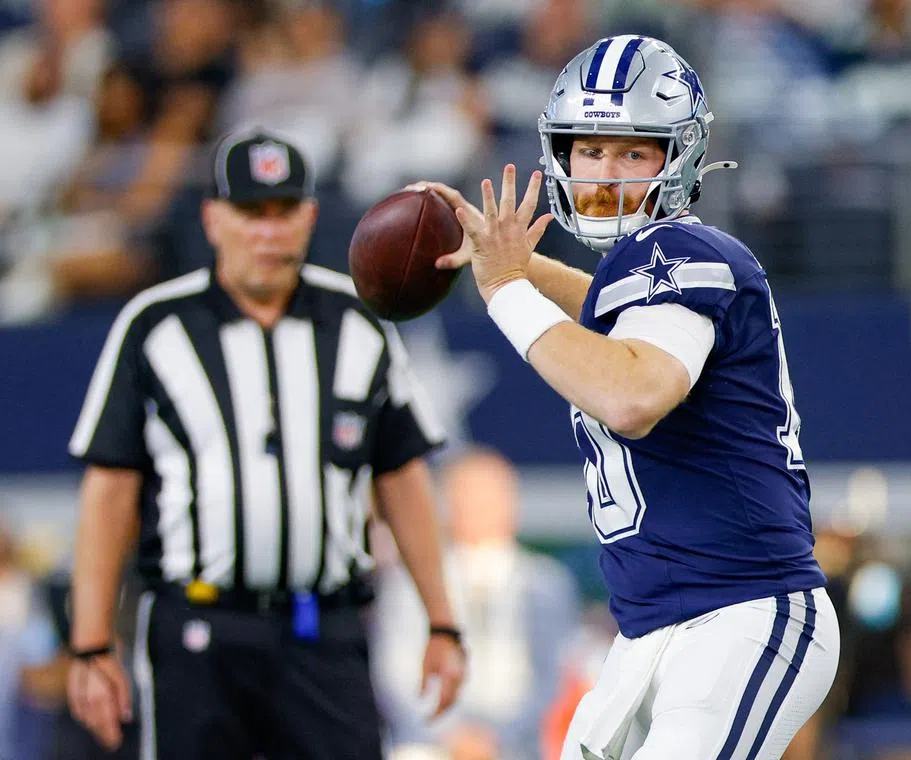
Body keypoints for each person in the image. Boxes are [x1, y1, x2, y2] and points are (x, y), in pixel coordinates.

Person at [422, 35, 841, 760]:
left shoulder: (688, 252)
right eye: (590, 151)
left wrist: (504, 290)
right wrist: (525, 271)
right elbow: (614, 326)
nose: (606, 173)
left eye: (633, 152)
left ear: (677, 158)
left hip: (738, 610)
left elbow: (632, 393)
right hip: (652, 630)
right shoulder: (646, 275)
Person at [65, 127, 466, 759]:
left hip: (324, 629)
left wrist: (442, 621)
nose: (269, 232)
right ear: (213, 218)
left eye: (285, 212)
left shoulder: (361, 321)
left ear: (310, 216)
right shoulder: (154, 325)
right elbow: (110, 489)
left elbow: (402, 476)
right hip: (197, 625)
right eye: (252, 212)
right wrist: (91, 643)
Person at [374, 446, 581, 760]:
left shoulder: (545, 583)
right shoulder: (411, 581)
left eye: (489, 498)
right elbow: (394, 675)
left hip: (515, 748)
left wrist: (492, 739)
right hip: (428, 744)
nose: (478, 508)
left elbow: (551, 679)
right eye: (467, 497)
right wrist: (451, 735)